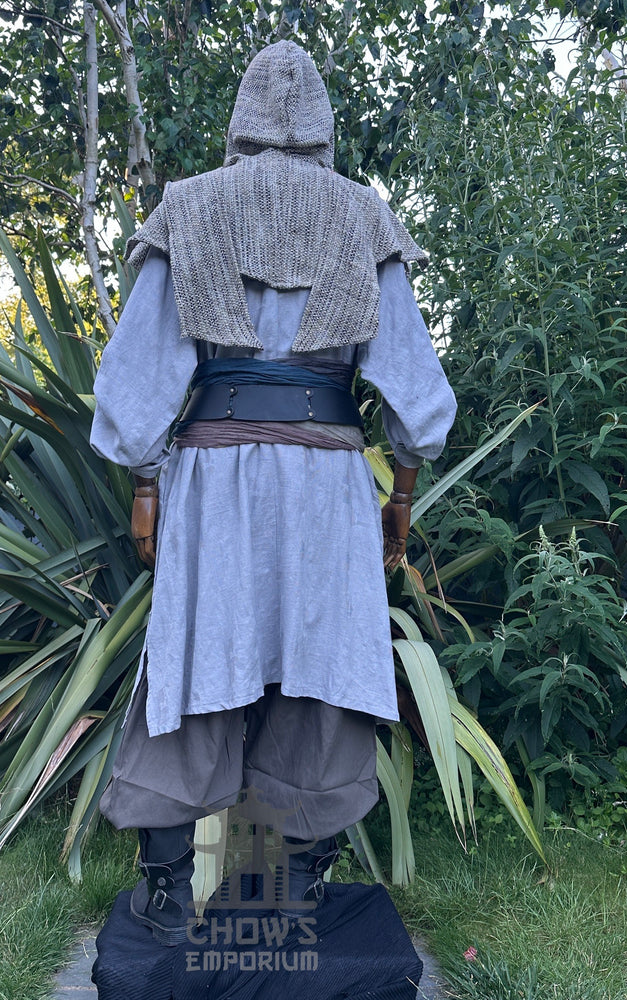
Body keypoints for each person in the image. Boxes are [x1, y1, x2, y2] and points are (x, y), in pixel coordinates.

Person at [90, 39, 456, 948]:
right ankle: (290, 886)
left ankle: (169, 892)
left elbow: (138, 382)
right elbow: (413, 393)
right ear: (325, 126)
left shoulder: (189, 209)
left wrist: (145, 485)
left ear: (241, 121)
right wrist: (399, 496)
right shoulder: (366, 218)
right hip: (330, 486)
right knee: (325, 674)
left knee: (198, 666)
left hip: (216, 480)